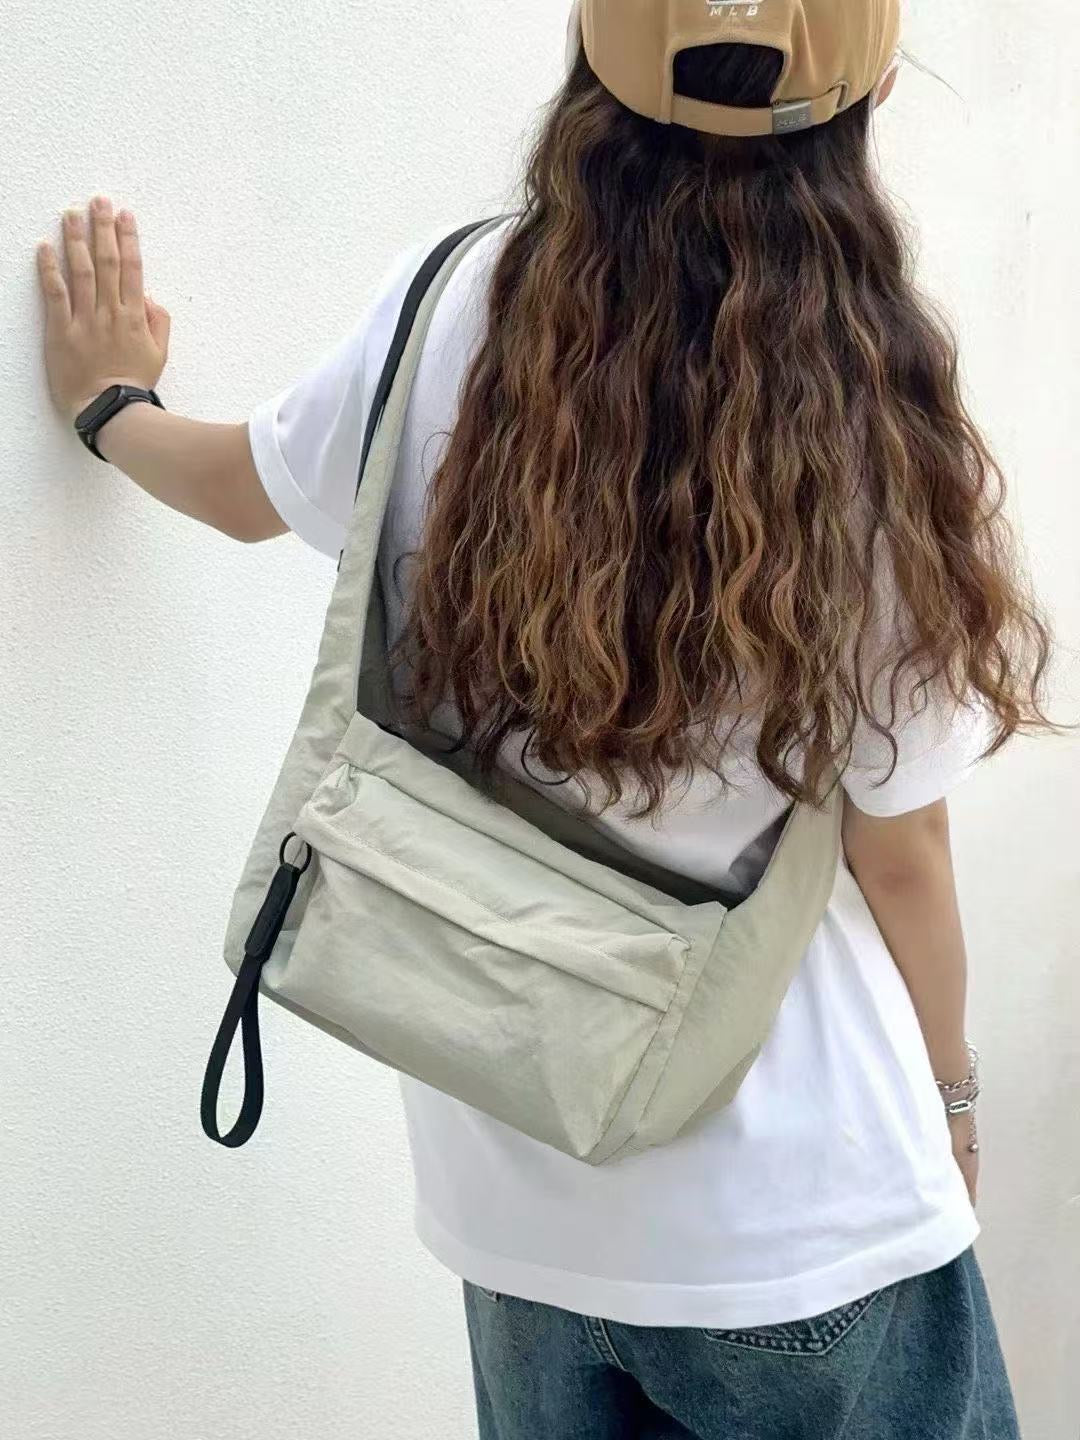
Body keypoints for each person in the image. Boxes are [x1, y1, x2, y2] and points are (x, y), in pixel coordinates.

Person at [36, 1, 1051, 1435]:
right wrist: (951, 1098)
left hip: (521, 1209)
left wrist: (108, 407)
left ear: (594, 52)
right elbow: (904, 856)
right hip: (804, 1232)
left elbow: (245, 492)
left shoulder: (455, 306)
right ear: (870, 86)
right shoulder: (872, 424)